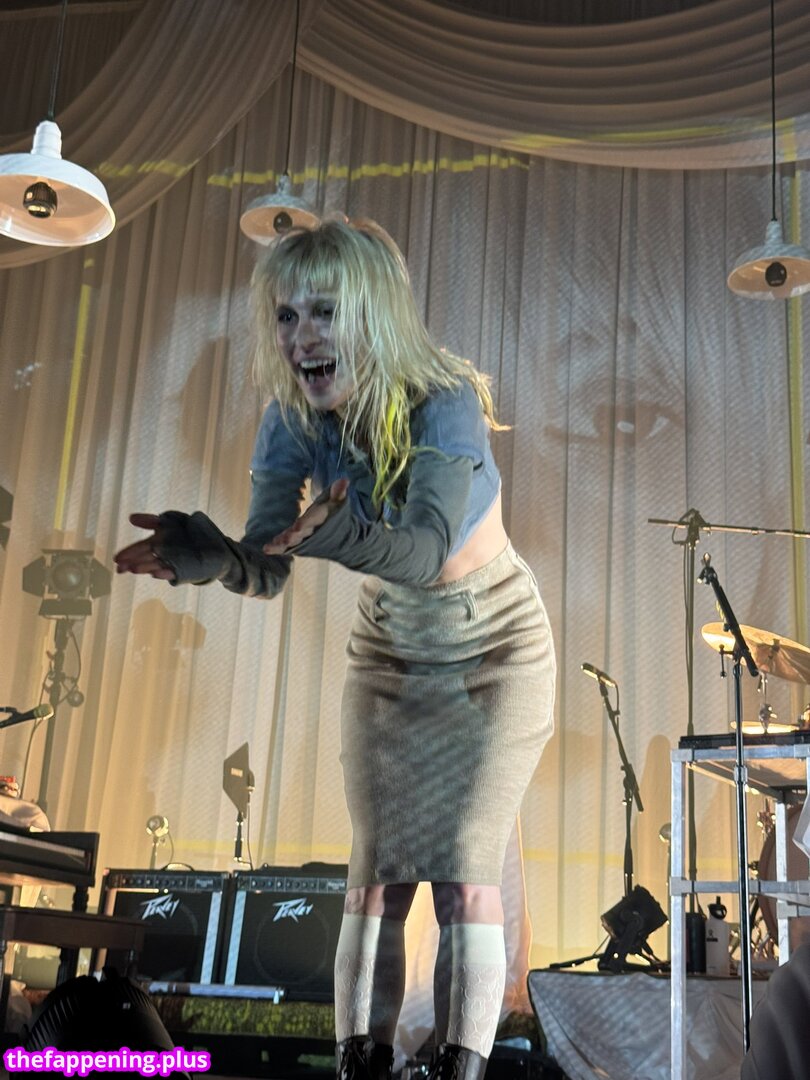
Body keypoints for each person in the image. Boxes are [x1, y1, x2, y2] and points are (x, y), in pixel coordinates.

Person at [114, 218, 556, 1080]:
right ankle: (363, 1064)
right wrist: (216, 557)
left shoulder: (443, 400)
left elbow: (424, 552)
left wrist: (335, 534)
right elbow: (271, 564)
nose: (302, 337)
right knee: (377, 872)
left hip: (494, 648)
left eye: (325, 312)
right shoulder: (290, 419)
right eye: (287, 316)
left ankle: (458, 1068)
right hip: (389, 647)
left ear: (375, 315)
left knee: (465, 867)